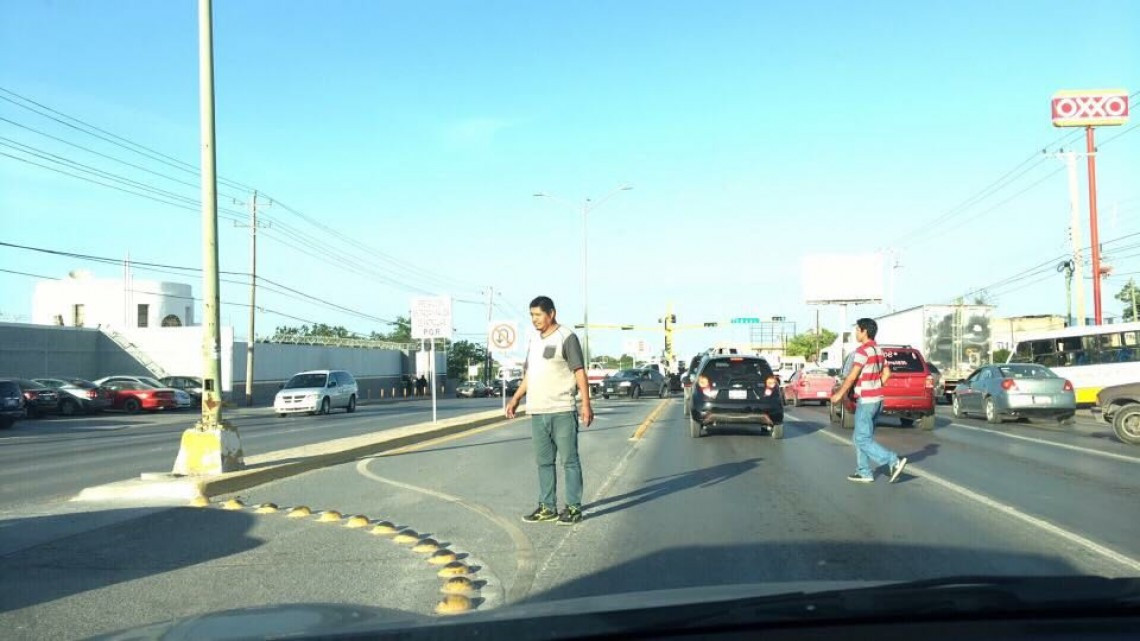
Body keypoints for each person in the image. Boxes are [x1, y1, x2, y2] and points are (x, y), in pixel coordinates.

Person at [506, 296, 594, 525]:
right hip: (538, 410)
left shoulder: (567, 337)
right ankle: (547, 507)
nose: (534, 319)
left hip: (562, 409)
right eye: (531, 315)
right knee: (544, 462)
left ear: (551, 313)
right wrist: (515, 398)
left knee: (570, 461)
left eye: (538, 314)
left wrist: (586, 404)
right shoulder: (534, 341)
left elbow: (579, 372)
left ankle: (573, 508)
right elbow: (530, 375)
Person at [830, 318, 907, 484]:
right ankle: (863, 471)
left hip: (866, 400)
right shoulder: (878, 350)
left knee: (861, 439)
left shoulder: (863, 351)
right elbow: (887, 373)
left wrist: (839, 394)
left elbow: (852, 376)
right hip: (877, 399)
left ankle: (892, 460)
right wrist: (876, 385)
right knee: (862, 437)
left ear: (864, 331)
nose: (855, 333)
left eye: (857, 330)